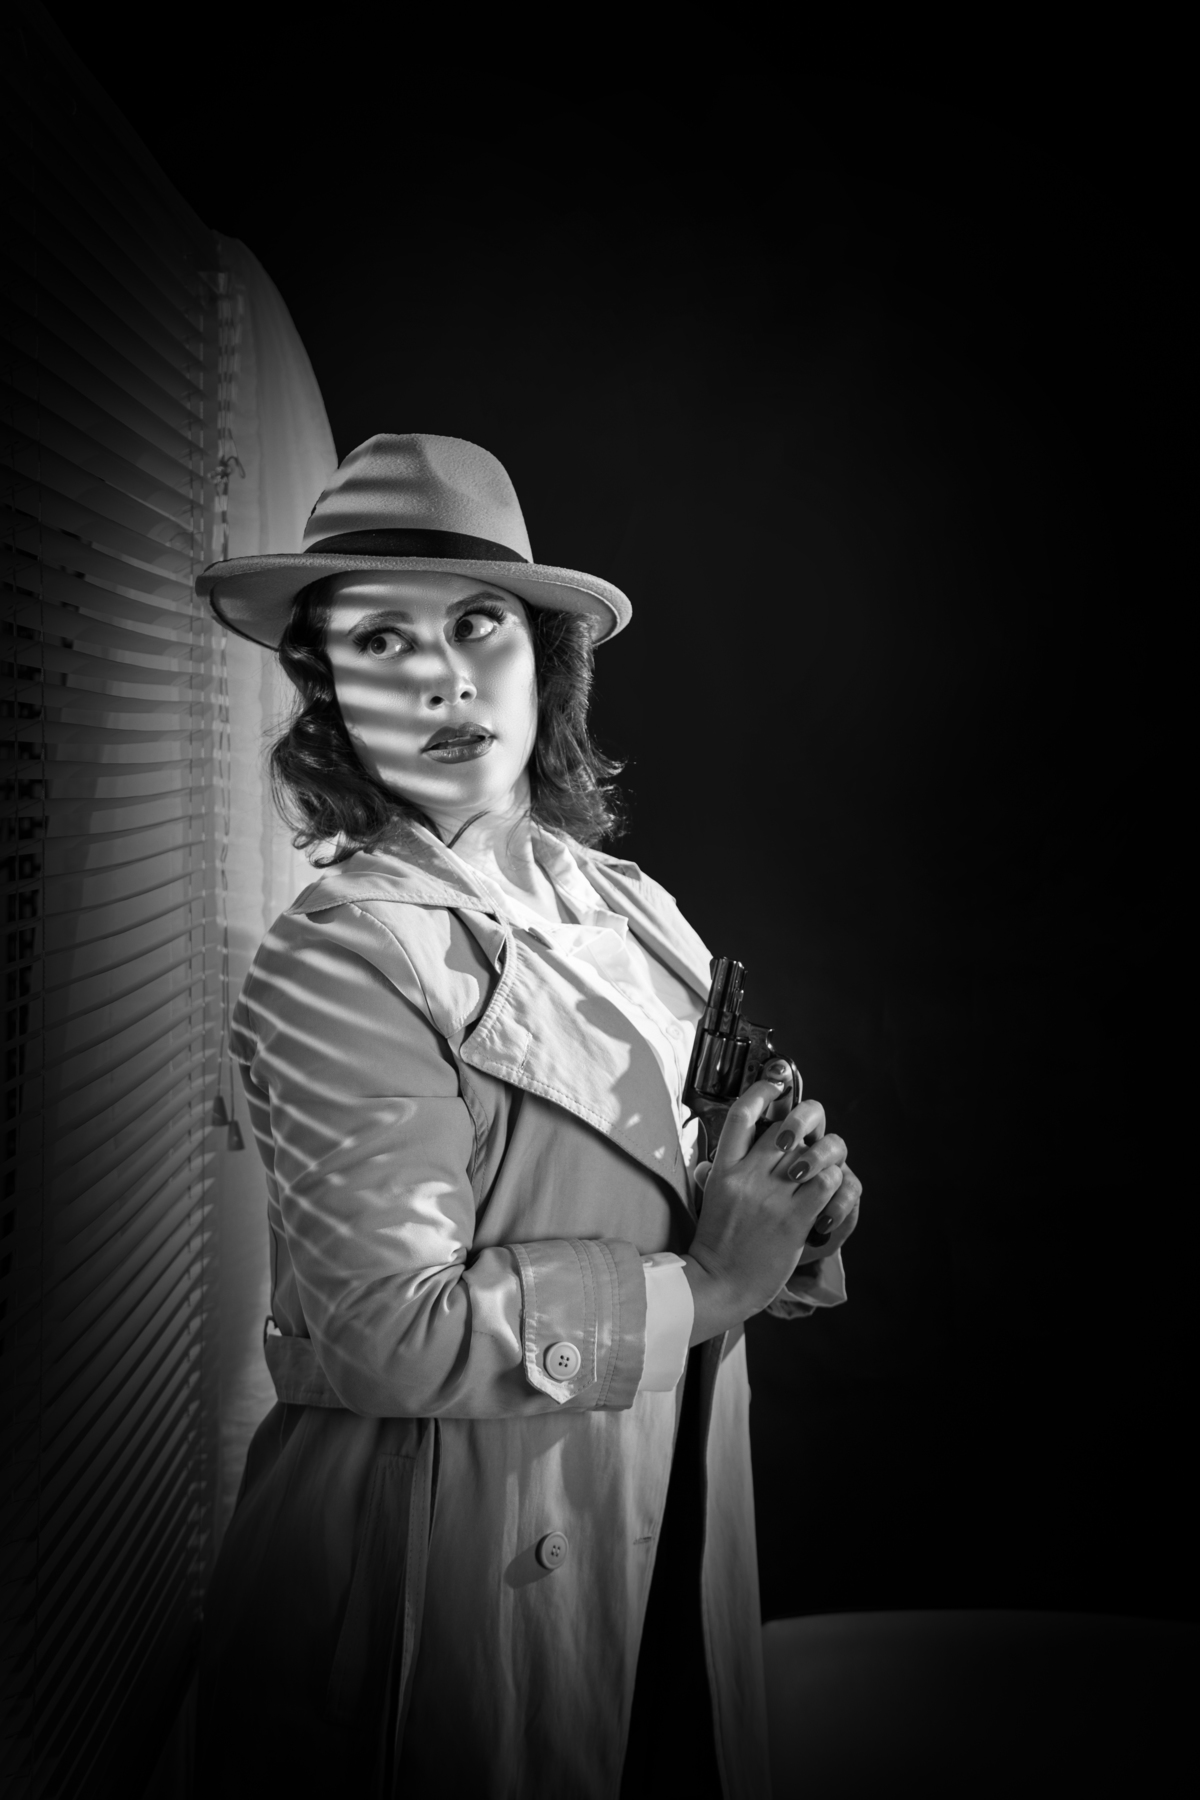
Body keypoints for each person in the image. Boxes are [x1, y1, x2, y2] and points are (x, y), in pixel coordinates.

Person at [194, 434, 862, 1800]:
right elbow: (387, 1329)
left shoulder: (628, 903)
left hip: (663, 1513)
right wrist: (708, 1286)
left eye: (477, 626)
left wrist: (791, 1211)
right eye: (380, 641)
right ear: (331, 691)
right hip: (444, 1571)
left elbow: (675, 1177)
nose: (440, 679)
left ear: (544, 661)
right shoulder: (338, 956)